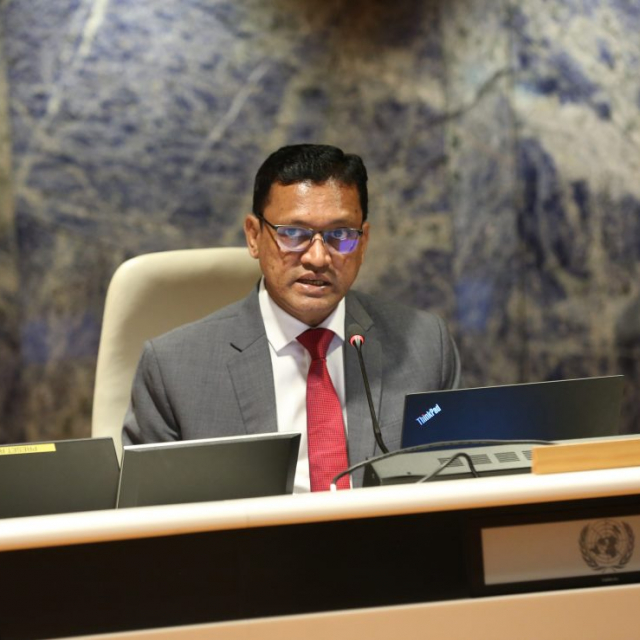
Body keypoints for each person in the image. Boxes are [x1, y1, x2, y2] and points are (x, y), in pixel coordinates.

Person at [123, 144, 461, 490]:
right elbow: (148, 511)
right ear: (254, 236)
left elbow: (457, 487)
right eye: (293, 234)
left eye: (341, 235)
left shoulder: (424, 348)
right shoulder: (174, 370)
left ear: (363, 242)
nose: (318, 258)